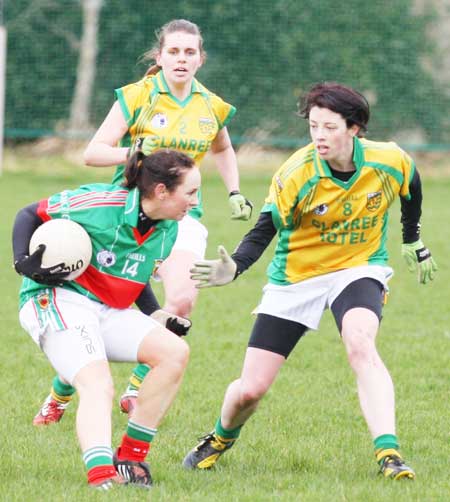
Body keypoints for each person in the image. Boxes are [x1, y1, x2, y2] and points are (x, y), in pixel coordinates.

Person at [182, 82, 438, 480]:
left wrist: (413, 239)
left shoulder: (389, 160)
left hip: (359, 266)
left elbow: (413, 188)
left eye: (329, 127)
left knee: (360, 343)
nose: (319, 135)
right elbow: (264, 230)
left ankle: (389, 453)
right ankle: (219, 437)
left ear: (355, 129)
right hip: (296, 277)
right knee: (251, 389)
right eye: (313, 126)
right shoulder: (297, 172)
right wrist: (235, 266)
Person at [32, 18, 253, 425]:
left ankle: (136, 388)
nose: (182, 59)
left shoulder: (211, 106)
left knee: (183, 300)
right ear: (161, 56)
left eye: (190, 52)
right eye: (174, 51)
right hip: (127, 217)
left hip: (181, 216)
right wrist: (134, 153)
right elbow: (93, 152)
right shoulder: (138, 97)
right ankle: (61, 390)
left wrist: (235, 190)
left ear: (200, 59)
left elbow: (223, 148)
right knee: (101, 309)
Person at [14, 149, 200, 489]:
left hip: (104, 308)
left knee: (174, 352)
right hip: (55, 298)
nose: (196, 201)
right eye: (190, 192)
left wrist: (156, 314)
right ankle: (101, 478)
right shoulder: (102, 204)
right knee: (98, 384)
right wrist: (21, 260)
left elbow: (134, 273)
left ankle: (130, 458)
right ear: (161, 191)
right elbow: (29, 213)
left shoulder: (168, 229)